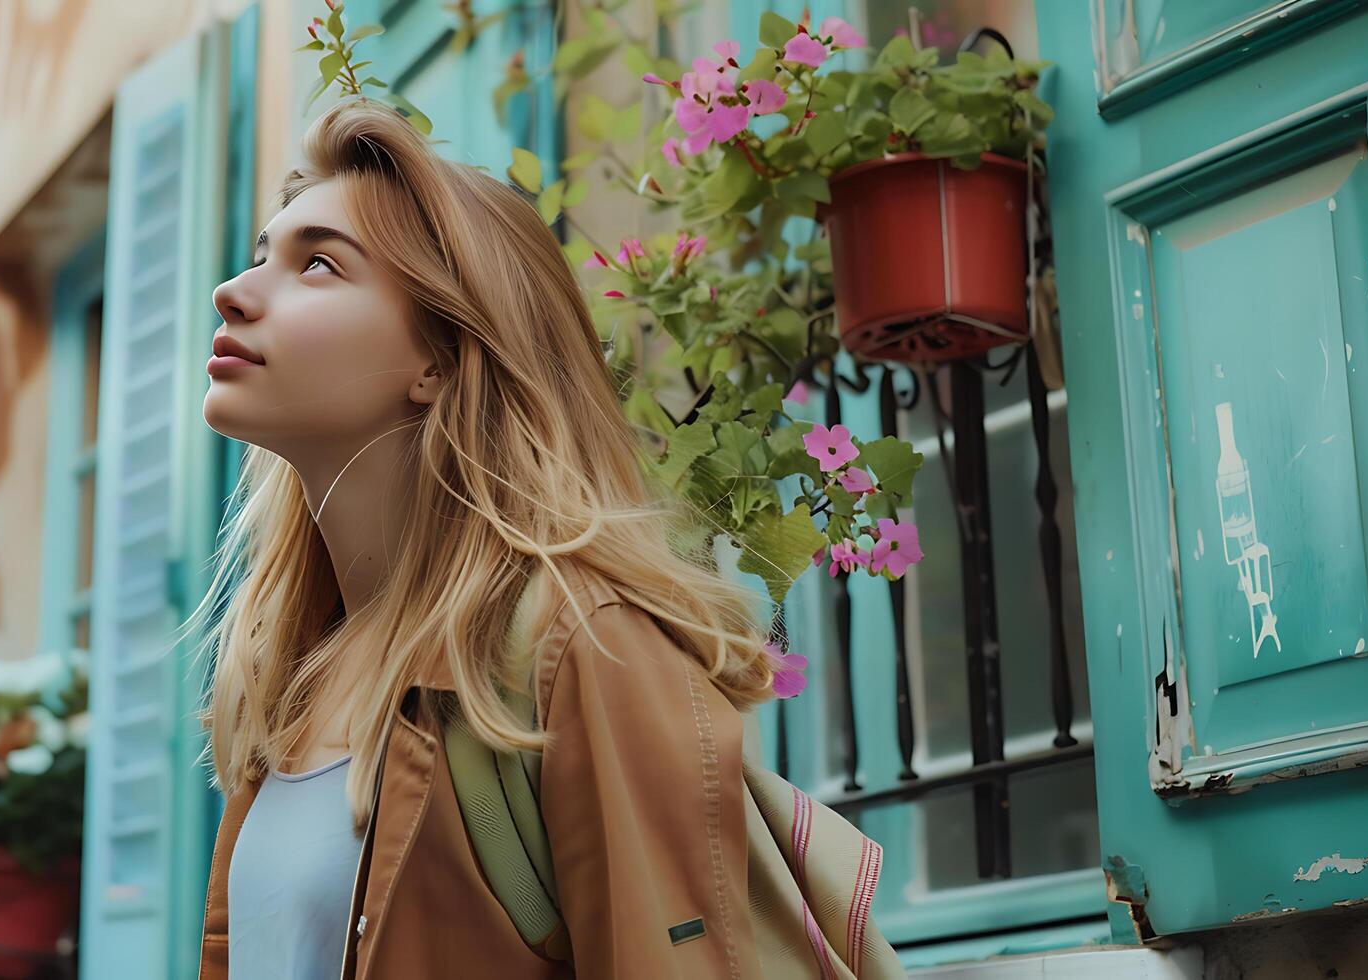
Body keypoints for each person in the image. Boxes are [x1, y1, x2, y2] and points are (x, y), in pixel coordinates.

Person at [189, 96, 887, 979]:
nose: (232, 291)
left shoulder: (582, 644)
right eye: (260, 257)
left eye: (317, 264)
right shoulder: (286, 674)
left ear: (439, 359)